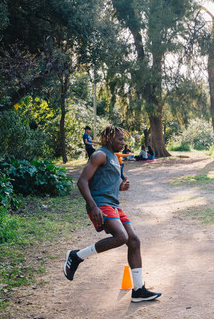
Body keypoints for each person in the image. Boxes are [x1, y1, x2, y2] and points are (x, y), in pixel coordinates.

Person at [64, 125, 161, 302]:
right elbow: (82, 181)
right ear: (109, 139)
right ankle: (76, 256)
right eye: (119, 139)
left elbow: (105, 182)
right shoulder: (99, 155)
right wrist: (93, 207)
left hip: (114, 205)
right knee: (121, 237)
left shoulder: (114, 158)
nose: (123, 142)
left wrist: (121, 187)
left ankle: (138, 290)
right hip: (100, 204)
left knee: (134, 240)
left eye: (124, 139)